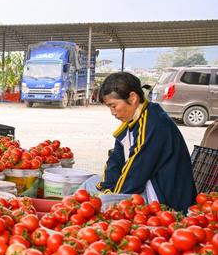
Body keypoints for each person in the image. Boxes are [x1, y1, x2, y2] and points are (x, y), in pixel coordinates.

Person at [84, 72, 196, 212]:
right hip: (144, 185)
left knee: (103, 201)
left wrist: (110, 196)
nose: (112, 113)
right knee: (90, 183)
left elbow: (134, 175)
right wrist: (105, 188)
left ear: (133, 98)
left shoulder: (153, 123)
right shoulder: (133, 120)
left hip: (164, 199)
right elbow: (116, 160)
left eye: (114, 106)